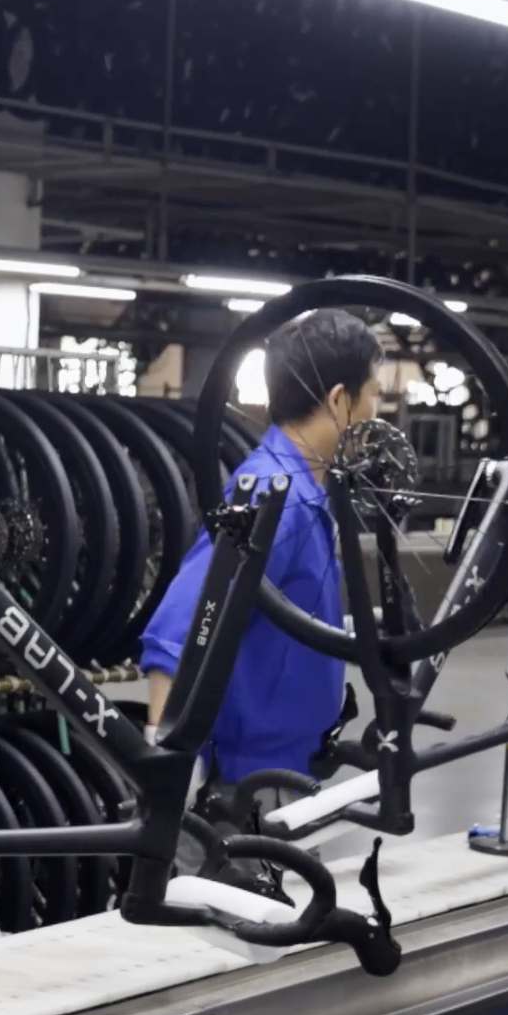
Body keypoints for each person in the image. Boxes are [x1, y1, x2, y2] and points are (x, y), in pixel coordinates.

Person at [138, 309, 384, 787]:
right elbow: (175, 632)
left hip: (286, 770)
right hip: (247, 787)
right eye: (374, 395)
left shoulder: (304, 489)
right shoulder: (278, 499)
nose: (379, 413)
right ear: (339, 400)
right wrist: (169, 761)